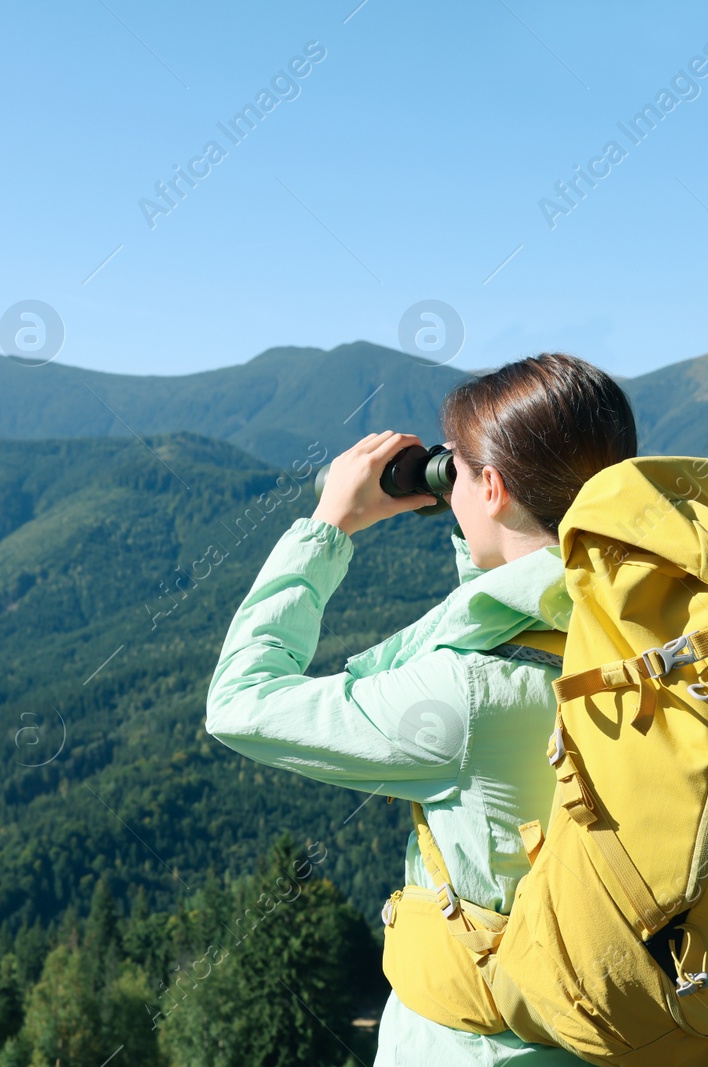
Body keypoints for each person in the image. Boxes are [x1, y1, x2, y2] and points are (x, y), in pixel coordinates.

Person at [205, 353, 638, 1066]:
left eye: (460, 469)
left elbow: (240, 700)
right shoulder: (650, 630)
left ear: (492, 486)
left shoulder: (463, 699)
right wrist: (487, 529)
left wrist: (328, 526)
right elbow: (528, 609)